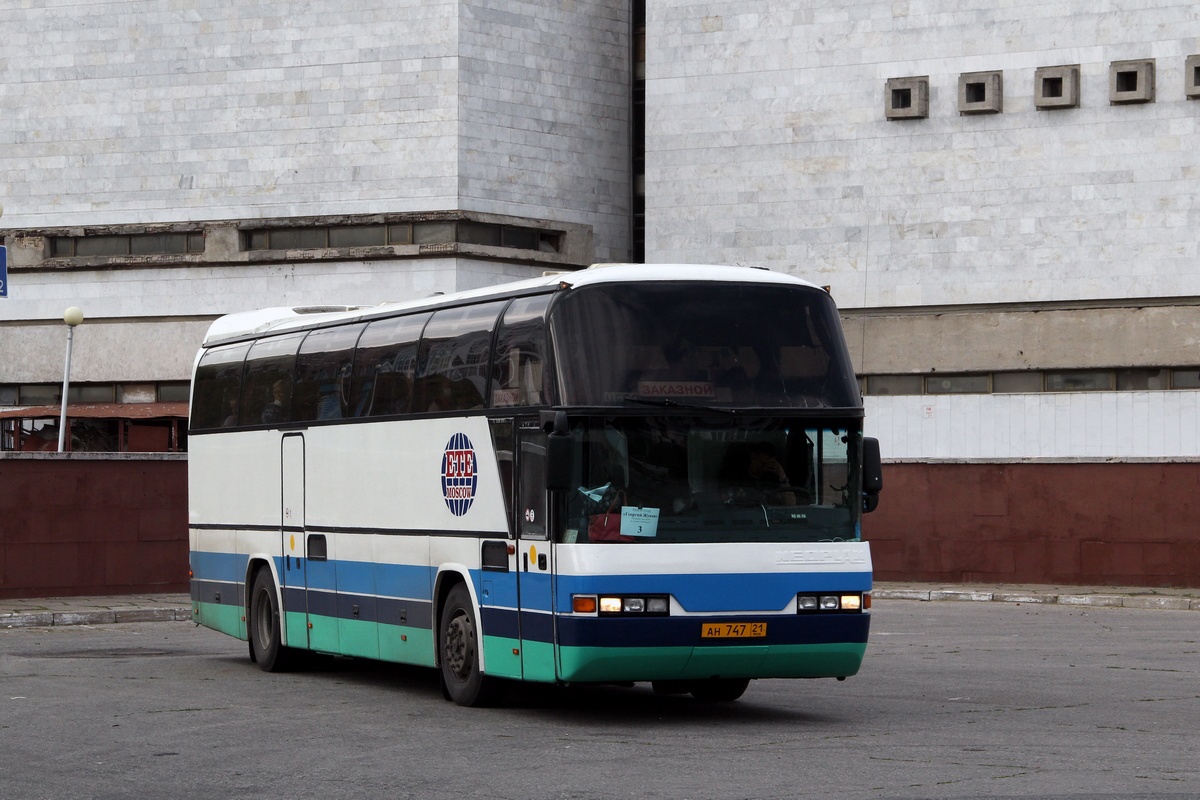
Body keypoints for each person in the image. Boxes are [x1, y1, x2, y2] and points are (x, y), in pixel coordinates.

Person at [721, 441, 796, 505]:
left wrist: (781, 474)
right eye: (763, 463)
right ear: (753, 457)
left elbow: (790, 504)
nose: (765, 468)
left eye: (770, 464)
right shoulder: (736, 478)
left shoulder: (773, 478)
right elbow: (723, 500)